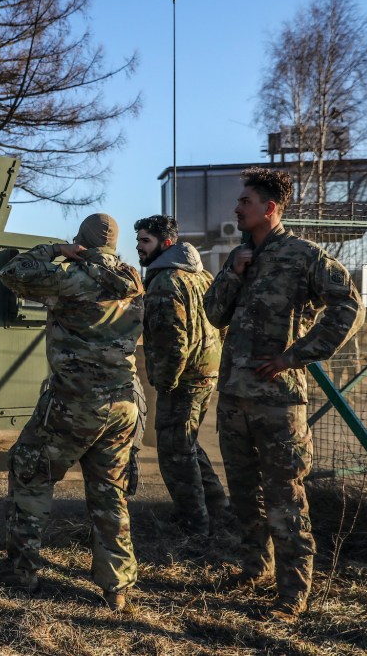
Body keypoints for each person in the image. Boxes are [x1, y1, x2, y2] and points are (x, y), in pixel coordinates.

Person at [204, 167, 364, 622]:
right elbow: (213, 315)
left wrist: (297, 355)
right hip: (234, 397)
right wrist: (234, 274)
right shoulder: (239, 255)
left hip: (277, 401)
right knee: (244, 493)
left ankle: (292, 594)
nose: (236, 208)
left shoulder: (304, 255)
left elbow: (350, 306)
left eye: (244, 202)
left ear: (269, 208)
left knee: (285, 495)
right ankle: (254, 568)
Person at [0, 213, 145, 611]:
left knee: (31, 475)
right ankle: (117, 589)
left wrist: (55, 250)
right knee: (109, 492)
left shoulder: (73, 278)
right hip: (122, 404)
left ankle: (21, 571)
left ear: (81, 241)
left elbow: (11, 272)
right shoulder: (134, 284)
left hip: (74, 403)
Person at [134, 214, 228, 536]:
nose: (138, 247)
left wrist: (165, 382)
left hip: (183, 378)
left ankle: (195, 523)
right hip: (206, 372)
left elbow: (172, 339)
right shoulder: (202, 276)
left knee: (173, 450)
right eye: (138, 240)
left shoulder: (165, 280)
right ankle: (217, 505)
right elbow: (222, 322)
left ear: (167, 243)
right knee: (186, 443)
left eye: (145, 241)